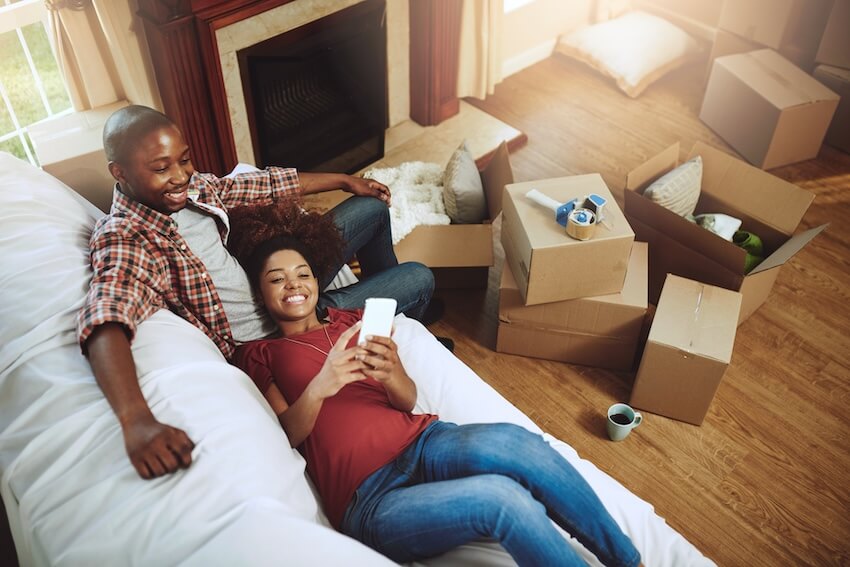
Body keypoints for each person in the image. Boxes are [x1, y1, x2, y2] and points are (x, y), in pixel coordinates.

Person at [229, 201, 643, 567]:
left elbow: (406, 401)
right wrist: (320, 386)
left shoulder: (353, 322)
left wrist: (392, 373)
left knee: (523, 446)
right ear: (261, 293)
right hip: (371, 498)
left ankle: (627, 561)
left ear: (317, 281)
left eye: (302, 274)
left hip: (424, 443)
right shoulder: (258, 354)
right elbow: (284, 435)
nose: (293, 285)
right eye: (277, 279)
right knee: (503, 500)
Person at [76, 104, 437, 481]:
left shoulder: (190, 188)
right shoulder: (126, 237)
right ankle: (412, 314)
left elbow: (260, 185)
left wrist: (346, 180)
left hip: (276, 281)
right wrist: (135, 420)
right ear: (119, 172)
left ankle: (389, 329)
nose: (181, 175)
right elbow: (107, 317)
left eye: (184, 160)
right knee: (417, 278)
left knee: (369, 207)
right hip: (280, 334)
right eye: (162, 168)